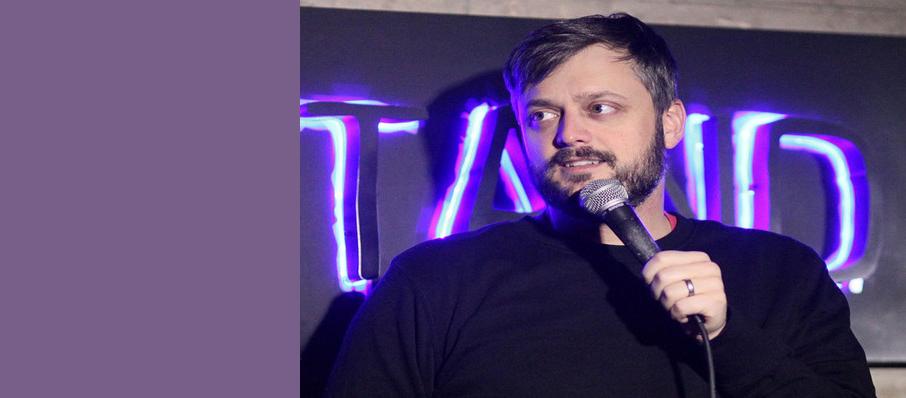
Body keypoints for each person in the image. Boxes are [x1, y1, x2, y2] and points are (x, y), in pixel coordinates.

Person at [325, 13, 875, 397]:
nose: (569, 133)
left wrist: (729, 337)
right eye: (542, 115)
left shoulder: (783, 272)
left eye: (601, 107)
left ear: (670, 123)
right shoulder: (435, 281)